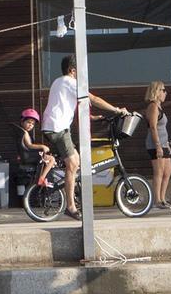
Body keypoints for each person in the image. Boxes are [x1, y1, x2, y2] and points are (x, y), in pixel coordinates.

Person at [41, 55, 128, 219]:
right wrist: (116, 110)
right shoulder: (70, 82)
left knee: (76, 162)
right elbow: (93, 99)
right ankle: (71, 206)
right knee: (73, 164)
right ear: (72, 70)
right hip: (57, 128)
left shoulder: (59, 82)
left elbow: (68, 106)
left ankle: (70, 190)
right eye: (79, 70)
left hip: (55, 127)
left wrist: (93, 118)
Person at [141, 82, 171, 210]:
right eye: (163, 90)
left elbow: (162, 128)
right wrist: (158, 146)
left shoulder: (159, 107)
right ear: (156, 91)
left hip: (163, 143)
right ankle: (157, 200)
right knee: (159, 171)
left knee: (168, 171)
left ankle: (163, 198)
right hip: (155, 143)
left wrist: (166, 144)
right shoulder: (153, 107)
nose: (165, 93)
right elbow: (153, 127)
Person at [16, 107, 53, 190]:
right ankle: (42, 178)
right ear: (22, 121)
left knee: (46, 159)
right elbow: (29, 145)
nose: (30, 125)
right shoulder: (24, 133)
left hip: (27, 155)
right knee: (51, 159)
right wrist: (42, 146)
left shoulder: (21, 132)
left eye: (32, 124)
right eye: (28, 122)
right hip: (29, 156)